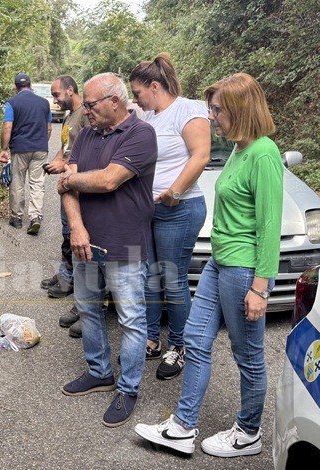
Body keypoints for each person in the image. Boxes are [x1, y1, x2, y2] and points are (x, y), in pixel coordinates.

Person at [133, 72, 284, 457]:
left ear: (240, 110)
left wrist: (260, 288)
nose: (212, 117)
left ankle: (249, 432)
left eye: (217, 110)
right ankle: (182, 427)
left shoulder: (264, 153)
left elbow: (269, 227)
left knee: (248, 355)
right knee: (197, 343)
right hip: (220, 263)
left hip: (243, 270)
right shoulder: (239, 148)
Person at [58, 72, 158, 427]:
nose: (85, 111)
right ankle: (100, 371)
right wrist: (78, 228)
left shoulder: (140, 134)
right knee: (88, 308)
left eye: (90, 104)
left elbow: (108, 179)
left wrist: (72, 177)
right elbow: (65, 187)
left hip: (125, 244)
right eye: (83, 104)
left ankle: (128, 388)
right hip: (86, 242)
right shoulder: (86, 134)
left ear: (115, 102)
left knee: (132, 320)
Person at [128, 54, 210, 380]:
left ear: (154, 86)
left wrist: (174, 192)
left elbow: (201, 155)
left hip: (179, 210)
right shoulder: (149, 117)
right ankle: (151, 339)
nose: (135, 99)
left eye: (137, 93)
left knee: (173, 281)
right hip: (147, 210)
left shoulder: (188, 110)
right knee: (148, 276)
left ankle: (179, 346)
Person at [39, 76, 90, 325]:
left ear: (71, 90)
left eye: (57, 94)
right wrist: (55, 161)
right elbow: (66, 148)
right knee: (67, 237)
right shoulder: (70, 115)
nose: (55, 100)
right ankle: (65, 277)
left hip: (79, 187)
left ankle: (84, 301)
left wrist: (65, 164)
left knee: (77, 240)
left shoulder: (85, 116)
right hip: (67, 185)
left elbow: (85, 155)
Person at [0, 73, 52, 235]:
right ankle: (35, 217)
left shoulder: (12, 103)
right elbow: (49, 128)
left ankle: (16, 218)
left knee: (17, 182)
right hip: (40, 148)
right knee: (37, 184)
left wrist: (3, 149)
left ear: (16, 88)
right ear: (30, 85)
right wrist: (42, 142)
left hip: (20, 149)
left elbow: (8, 127)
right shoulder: (44, 103)